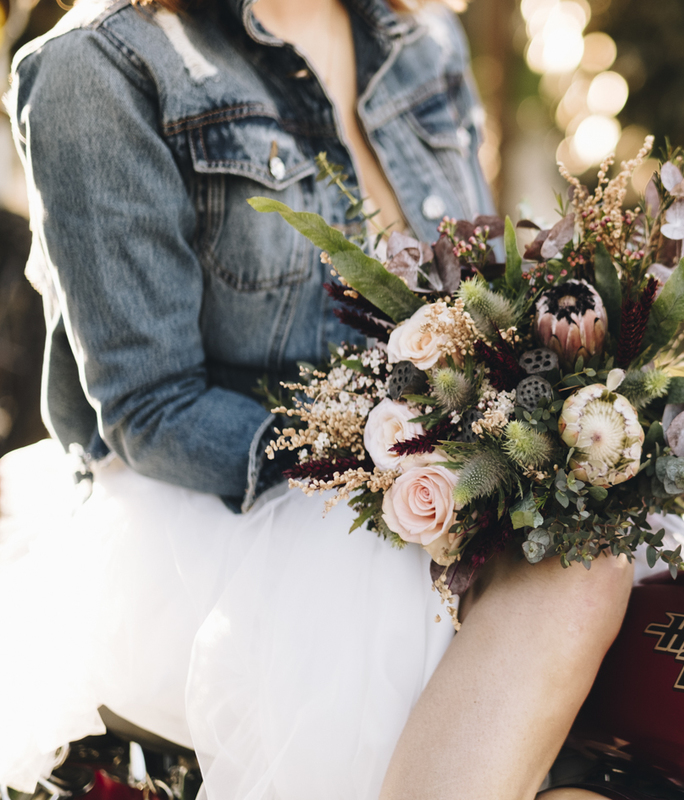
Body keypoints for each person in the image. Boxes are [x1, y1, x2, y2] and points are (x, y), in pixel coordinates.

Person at [0, 0, 632, 797]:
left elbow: (486, 293)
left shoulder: (423, 33)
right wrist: (392, 463)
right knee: (572, 578)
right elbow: (149, 407)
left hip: (450, 468)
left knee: (633, 587)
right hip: (236, 503)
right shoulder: (100, 66)